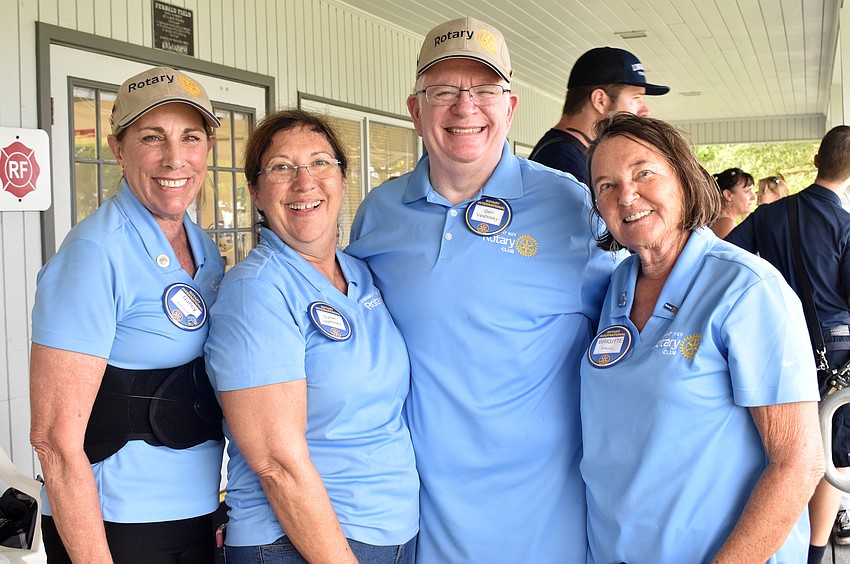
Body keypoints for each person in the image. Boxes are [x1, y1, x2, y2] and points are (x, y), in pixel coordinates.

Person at [346, 16, 618, 563]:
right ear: (415, 109)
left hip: (547, 525)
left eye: (485, 90)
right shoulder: (379, 213)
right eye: (443, 91)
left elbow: (634, 313)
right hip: (422, 522)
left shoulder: (572, 205)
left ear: (511, 107)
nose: (464, 107)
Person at [582, 112, 823, 563]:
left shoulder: (747, 289)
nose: (626, 195)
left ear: (685, 179)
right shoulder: (617, 287)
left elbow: (798, 464)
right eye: (605, 186)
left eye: (643, 173)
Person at [204, 109, 418, 563]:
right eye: (281, 167)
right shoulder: (257, 290)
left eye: (320, 162)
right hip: (299, 544)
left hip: (390, 532)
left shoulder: (361, 274)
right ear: (256, 193)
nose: (304, 182)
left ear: (342, 179)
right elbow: (276, 465)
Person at [29, 66, 224, 563]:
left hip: (199, 512)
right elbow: (53, 441)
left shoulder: (206, 251)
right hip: (115, 523)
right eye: (152, 137)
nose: (175, 158)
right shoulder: (95, 252)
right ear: (119, 149)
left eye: (191, 138)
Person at [726, 125, 850, 563]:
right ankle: (815, 555)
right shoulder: (845, 225)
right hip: (837, 355)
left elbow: (723, 255)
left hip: (776, 343)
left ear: (817, 160)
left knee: (782, 452)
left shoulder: (770, 215)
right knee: (829, 459)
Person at [528, 46, 669, 184]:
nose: (645, 111)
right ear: (600, 100)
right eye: (636, 97)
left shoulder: (574, 154)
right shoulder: (562, 162)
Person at [710, 167, 755, 238]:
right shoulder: (726, 224)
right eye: (747, 191)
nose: (753, 197)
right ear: (728, 195)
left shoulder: (718, 221)